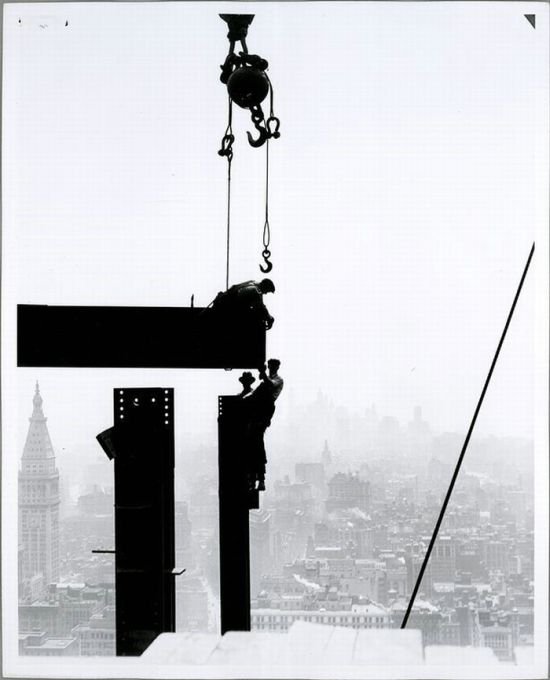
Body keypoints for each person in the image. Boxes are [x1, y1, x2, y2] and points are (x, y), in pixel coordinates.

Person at [244, 358, 284, 490]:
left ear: (277, 367)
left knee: (256, 444)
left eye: (273, 366)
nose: (271, 368)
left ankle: (258, 479)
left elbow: (270, 386)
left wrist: (262, 372)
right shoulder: (264, 383)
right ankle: (256, 479)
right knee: (254, 445)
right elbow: (253, 395)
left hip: (263, 412)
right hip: (258, 412)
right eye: (270, 366)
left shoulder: (278, 380)